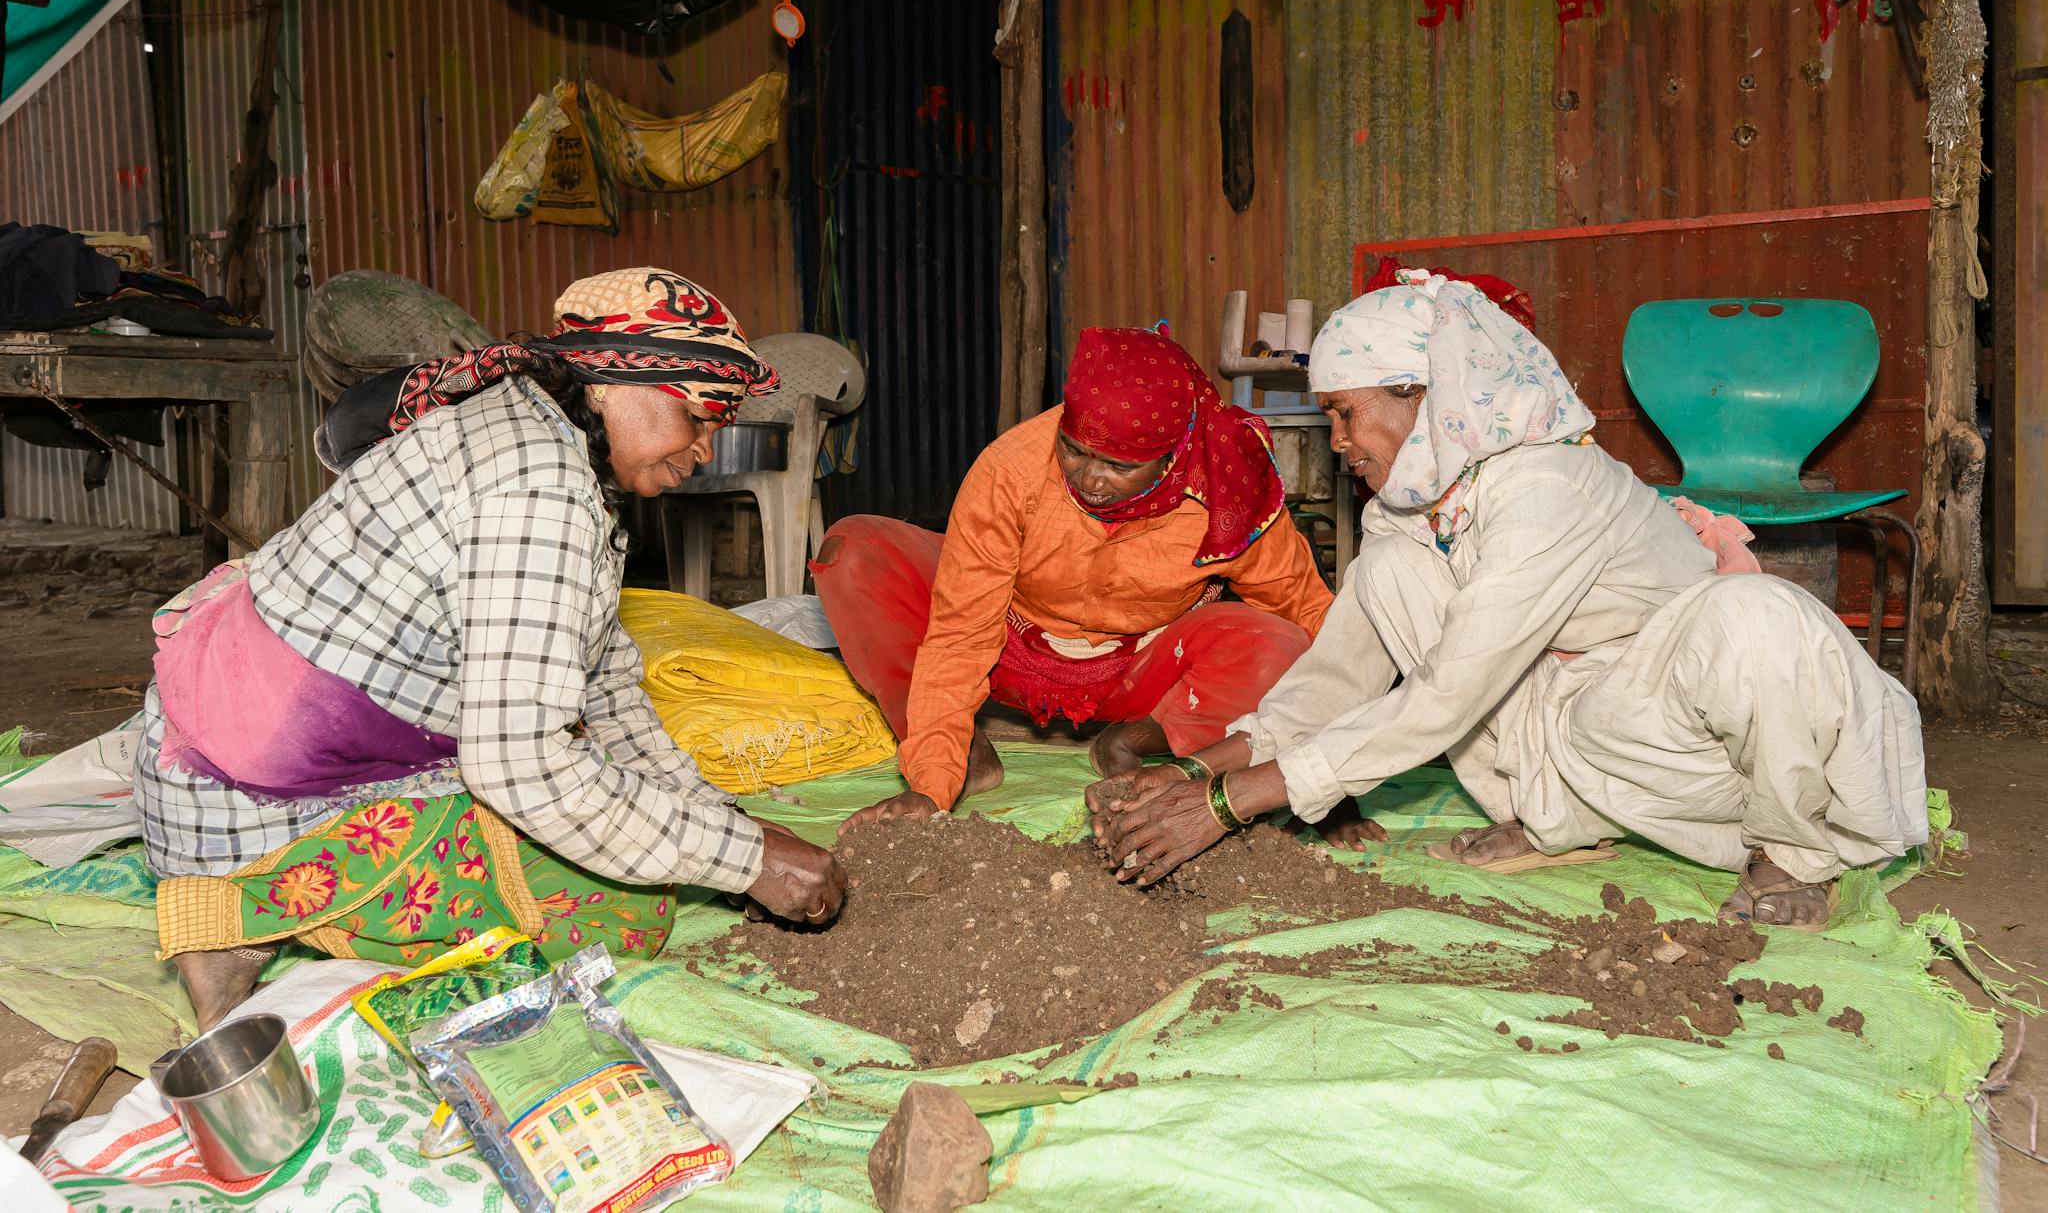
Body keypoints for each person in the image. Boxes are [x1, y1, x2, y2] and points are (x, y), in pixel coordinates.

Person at [1094, 270, 1927, 931]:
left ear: (1420, 395)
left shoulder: (1546, 484)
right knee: (1389, 579)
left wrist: (1230, 804)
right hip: (1585, 727)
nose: (1339, 442)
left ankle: (1791, 853)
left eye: (1346, 414)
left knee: (1759, 619)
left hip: (1687, 734)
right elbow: (1341, 674)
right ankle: (1552, 817)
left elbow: (1452, 689)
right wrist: (1203, 768)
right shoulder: (1413, 506)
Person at [137, 269, 846, 1030]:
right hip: (246, 785)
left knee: (638, 837)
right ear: (609, 384)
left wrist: (722, 821)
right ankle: (248, 910)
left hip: (227, 709)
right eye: (698, 415)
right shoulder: (537, 486)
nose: (706, 449)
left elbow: (605, 688)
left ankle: (265, 905)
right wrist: (743, 857)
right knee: (610, 914)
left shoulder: (537, 432)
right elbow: (520, 765)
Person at [814, 324, 1335, 831]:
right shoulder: (1011, 469)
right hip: (1007, 645)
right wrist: (929, 787)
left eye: (1117, 465)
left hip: (1141, 670)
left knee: (1277, 647)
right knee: (854, 553)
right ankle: (959, 750)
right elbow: (961, 635)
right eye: (1074, 449)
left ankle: (1138, 740)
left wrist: (1328, 780)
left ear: (1174, 453)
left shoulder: (1230, 486)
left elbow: (1308, 610)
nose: (1089, 478)